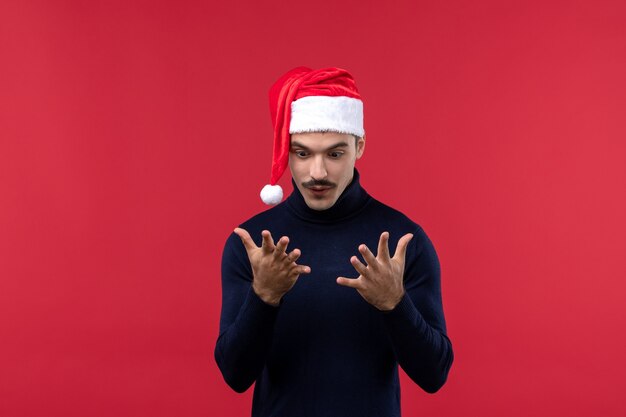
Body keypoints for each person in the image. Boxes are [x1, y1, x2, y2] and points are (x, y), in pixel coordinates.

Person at [214, 66, 453, 417]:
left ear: (360, 146)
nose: (318, 173)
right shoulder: (253, 246)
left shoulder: (402, 242)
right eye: (302, 153)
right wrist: (263, 297)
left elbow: (434, 375)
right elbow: (235, 375)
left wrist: (394, 303)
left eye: (335, 154)